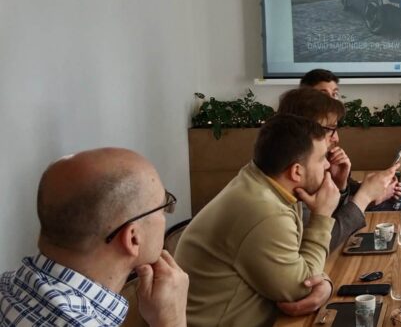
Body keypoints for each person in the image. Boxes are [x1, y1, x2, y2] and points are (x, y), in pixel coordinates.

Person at [175, 115, 340, 327]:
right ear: (296, 171)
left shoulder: (261, 182)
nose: (327, 165)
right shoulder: (266, 211)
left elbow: (297, 264)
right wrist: (322, 217)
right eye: (322, 158)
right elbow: (301, 289)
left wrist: (324, 282)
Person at [0, 148, 189, 327]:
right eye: (164, 206)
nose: (166, 215)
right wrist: (172, 321)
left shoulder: (7, 287)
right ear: (133, 238)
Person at [277, 87, 401, 251]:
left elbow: (329, 223)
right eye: (330, 129)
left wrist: (340, 185)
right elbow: (322, 243)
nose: (336, 138)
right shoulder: (294, 175)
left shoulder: (309, 164)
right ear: (304, 129)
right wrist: (365, 197)